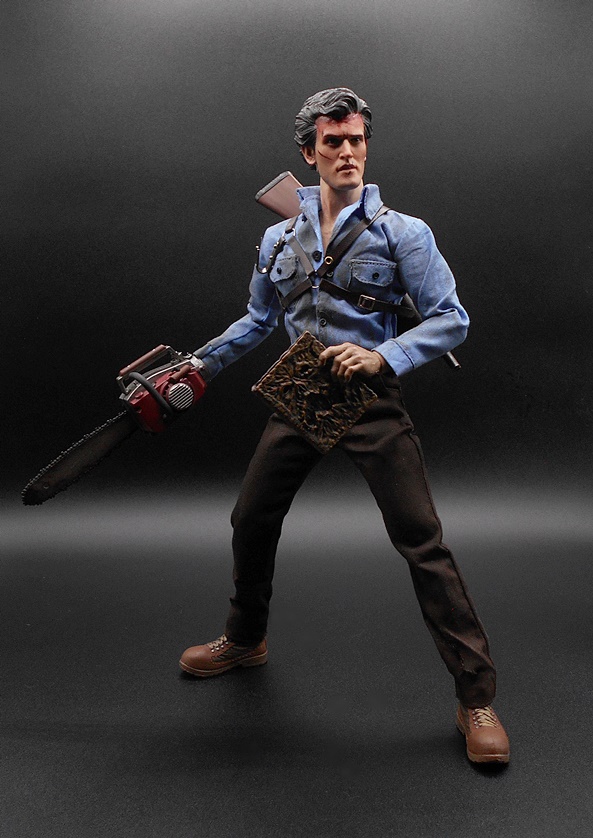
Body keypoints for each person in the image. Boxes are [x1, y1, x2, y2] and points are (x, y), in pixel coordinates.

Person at [180, 88, 510, 764]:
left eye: (356, 140)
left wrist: (383, 354)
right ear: (309, 153)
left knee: (422, 542)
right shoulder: (280, 236)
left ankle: (475, 697)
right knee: (251, 516)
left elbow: (451, 319)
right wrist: (197, 365)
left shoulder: (403, 233)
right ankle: (245, 637)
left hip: (369, 398)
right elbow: (258, 319)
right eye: (333, 142)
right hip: (301, 392)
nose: (348, 152)